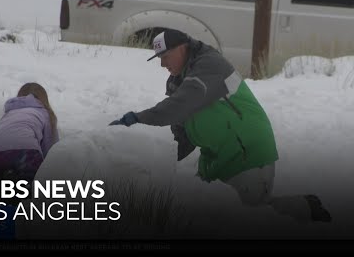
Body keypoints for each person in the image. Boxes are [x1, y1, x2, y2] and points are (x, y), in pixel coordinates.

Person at [109, 28, 331, 223]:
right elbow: (179, 124)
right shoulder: (177, 79)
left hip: (246, 151)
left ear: (183, 48)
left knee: (251, 216)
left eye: (165, 56)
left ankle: (305, 208)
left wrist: (139, 117)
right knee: (214, 212)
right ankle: (304, 206)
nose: (162, 63)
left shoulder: (209, 65)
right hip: (215, 156)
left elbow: (178, 106)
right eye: (159, 58)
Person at [0, 83, 59, 192]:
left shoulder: (10, 112)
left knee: (2, 178)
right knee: (31, 186)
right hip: (25, 152)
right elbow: (51, 149)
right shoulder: (44, 113)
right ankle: (20, 191)